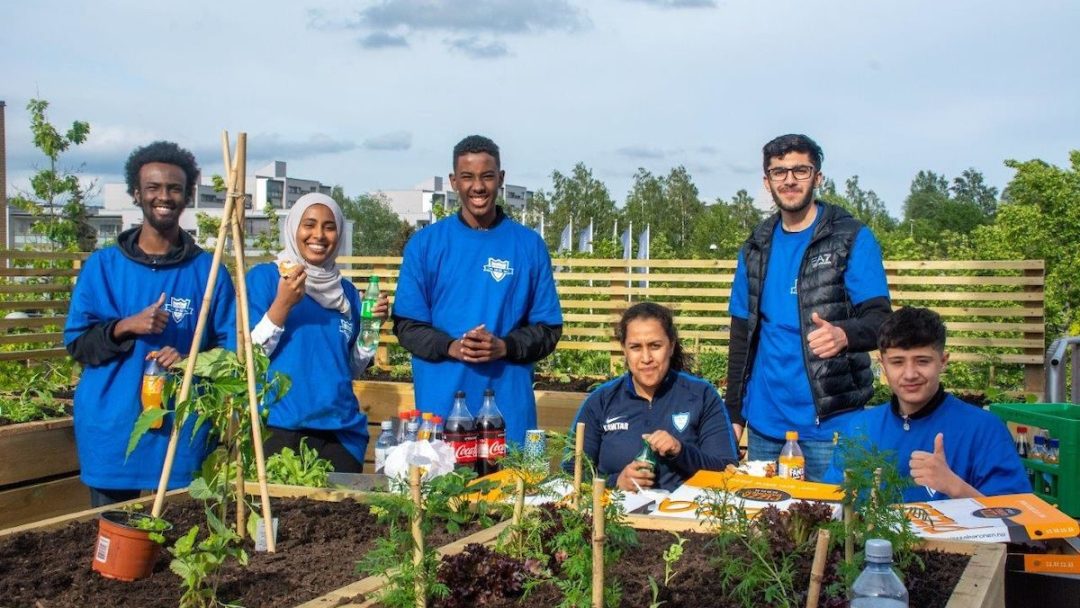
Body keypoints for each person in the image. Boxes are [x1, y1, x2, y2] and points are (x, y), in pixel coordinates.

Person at [64, 141, 236, 507]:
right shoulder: (103, 267)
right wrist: (125, 326)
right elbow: (78, 344)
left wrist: (191, 358)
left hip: (181, 433)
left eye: (174, 188)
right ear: (136, 193)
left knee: (181, 544)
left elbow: (231, 349)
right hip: (112, 430)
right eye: (154, 188)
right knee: (115, 548)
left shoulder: (209, 272)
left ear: (187, 195)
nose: (164, 196)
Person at [726, 134, 892, 482]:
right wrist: (735, 415)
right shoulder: (755, 246)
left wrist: (844, 335)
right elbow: (742, 336)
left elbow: (881, 322)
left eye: (800, 170)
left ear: (817, 177)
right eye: (778, 172)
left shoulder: (851, 239)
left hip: (831, 426)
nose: (789, 180)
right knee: (767, 530)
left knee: (833, 529)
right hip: (765, 427)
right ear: (767, 181)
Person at [392, 135, 563, 444]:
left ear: (501, 178)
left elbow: (548, 329)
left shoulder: (529, 245)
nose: (478, 186)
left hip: (510, 420)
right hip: (440, 418)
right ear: (454, 181)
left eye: (487, 176)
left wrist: (505, 347)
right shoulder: (425, 244)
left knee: (512, 492)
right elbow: (407, 326)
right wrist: (451, 346)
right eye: (468, 177)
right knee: (444, 492)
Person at [824, 307, 1031, 501]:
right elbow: (831, 502)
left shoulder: (985, 429)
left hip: (955, 541)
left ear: (943, 361)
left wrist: (955, 487)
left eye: (922, 361)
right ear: (882, 365)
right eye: (897, 362)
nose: (910, 374)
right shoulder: (860, 428)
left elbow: (1016, 518)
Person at [247, 193, 388, 472]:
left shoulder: (346, 293)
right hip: (280, 429)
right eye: (309, 224)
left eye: (329, 226)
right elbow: (249, 357)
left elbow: (347, 368)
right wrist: (282, 305)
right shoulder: (266, 278)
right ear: (293, 228)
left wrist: (370, 332)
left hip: (340, 435)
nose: (319, 235)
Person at [570, 303, 739, 492]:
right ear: (624, 350)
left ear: (671, 346)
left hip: (685, 517)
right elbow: (571, 473)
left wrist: (680, 451)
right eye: (635, 347)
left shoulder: (702, 396)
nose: (646, 357)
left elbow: (727, 470)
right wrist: (615, 482)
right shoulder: (601, 401)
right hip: (614, 516)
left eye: (655, 346)